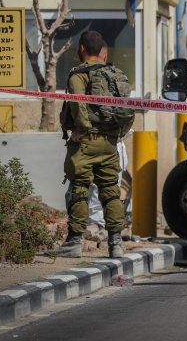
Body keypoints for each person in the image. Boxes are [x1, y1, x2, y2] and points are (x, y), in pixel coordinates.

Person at [51, 30, 127, 258]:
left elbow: (77, 103)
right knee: (111, 192)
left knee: (79, 190)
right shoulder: (114, 74)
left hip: (85, 143)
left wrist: (81, 129)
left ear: (82, 49)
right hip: (110, 143)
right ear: (103, 52)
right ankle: (116, 244)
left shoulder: (78, 75)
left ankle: (74, 242)